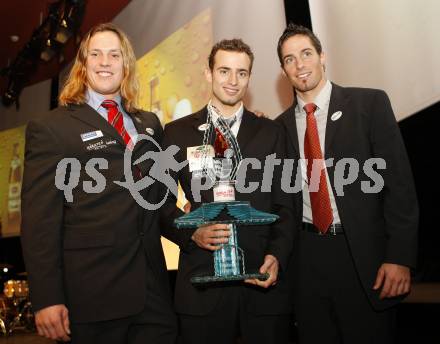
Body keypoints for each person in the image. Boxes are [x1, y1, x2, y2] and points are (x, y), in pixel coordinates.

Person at [21, 23, 177, 344]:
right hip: (93, 298)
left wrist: (198, 230)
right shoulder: (51, 128)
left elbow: (160, 202)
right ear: (83, 64)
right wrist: (47, 297)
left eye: (114, 55)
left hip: (154, 295)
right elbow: (40, 222)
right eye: (96, 54)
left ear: (126, 64)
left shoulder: (149, 123)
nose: (105, 62)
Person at [276, 23, 418, 343]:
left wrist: (399, 256)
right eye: (289, 59)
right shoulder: (278, 128)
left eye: (306, 54)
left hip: (365, 258)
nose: (300, 64)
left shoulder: (369, 105)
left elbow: (400, 186)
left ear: (322, 56)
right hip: (306, 261)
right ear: (283, 69)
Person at [160, 39, 294, 344]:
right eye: (224, 71)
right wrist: (190, 233)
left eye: (241, 73)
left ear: (249, 77)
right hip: (200, 288)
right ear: (208, 74)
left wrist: (277, 255)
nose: (233, 81)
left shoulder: (272, 133)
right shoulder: (176, 133)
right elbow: (158, 203)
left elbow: (286, 204)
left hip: (262, 286)